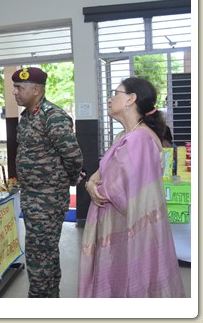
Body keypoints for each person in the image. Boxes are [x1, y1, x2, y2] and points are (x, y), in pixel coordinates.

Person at [79, 77, 185, 298]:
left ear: (131, 99)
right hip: (124, 225)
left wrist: (92, 186)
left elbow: (110, 190)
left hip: (130, 230)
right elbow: (102, 172)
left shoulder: (138, 140)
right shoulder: (126, 136)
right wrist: (91, 181)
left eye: (115, 93)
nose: (109, 99)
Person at [11, 67, 83, 298]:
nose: (15, 92)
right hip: (33, 196)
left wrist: (66, 181)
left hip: (48, 198)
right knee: (42, 252)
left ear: (36, 90)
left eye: (20, 87)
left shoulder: (53, 116)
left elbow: (73, 156)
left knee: (40, 253)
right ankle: (48, 297)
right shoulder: (27, 116)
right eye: (15, 87)